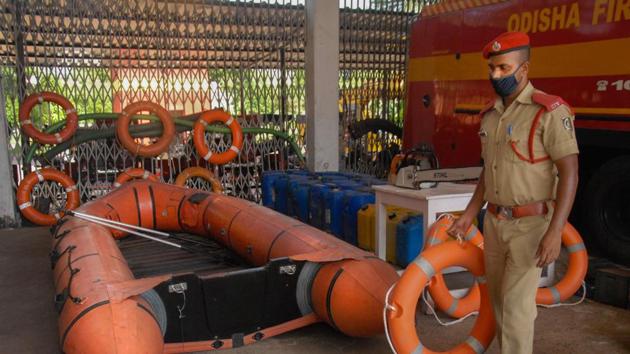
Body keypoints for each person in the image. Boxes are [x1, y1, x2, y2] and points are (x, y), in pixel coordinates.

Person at [447, 31, 579, 354]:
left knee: (516, 311)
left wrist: (555, 230)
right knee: (499, 305)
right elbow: (488, 171)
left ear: (525, 69)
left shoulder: (548, 112)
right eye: (492, 69)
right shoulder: (490, 116)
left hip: (530, 228)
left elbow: (570, 172)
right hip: (494, 224)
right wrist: (468, 214)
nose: (496, 75)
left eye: (504, 68)